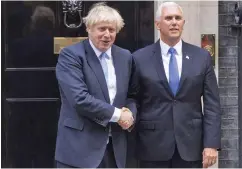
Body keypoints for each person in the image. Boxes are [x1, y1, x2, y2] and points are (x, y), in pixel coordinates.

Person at [129, 2, 221, 168]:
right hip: (152, 145)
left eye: (178, 18)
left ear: (183, 23)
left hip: (191, 145)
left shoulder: (201, 57)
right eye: (168, 18)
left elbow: (212, 104)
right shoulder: (139, 58)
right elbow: (133, 98)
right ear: (158, 24)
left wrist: (211, 144)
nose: (174, 22)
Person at [54, 2, 136, 168]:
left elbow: (132, 95)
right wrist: (119, 115)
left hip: (115, 149)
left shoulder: (125, 56)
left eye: (111, 30)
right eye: (102, 29)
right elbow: (79, 99)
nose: (107, 34)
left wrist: (130, 113)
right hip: (79, 149)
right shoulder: (71, 55)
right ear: (89, 28)